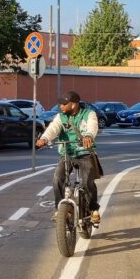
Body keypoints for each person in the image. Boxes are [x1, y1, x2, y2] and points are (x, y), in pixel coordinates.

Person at [35, 91, 101, 225]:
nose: (61, 106)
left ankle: (93, 209)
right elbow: (53, 128)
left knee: (88, 182)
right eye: (60, 103)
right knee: (57, 179)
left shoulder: (89, 114)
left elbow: (92, 126)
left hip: (84, 154)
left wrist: (88, 136)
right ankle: (60, 209)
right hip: (67, 154)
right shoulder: (61, 117)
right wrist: (44, 138)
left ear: (74, 104)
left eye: (64, 104)